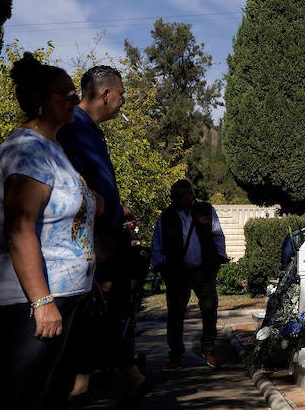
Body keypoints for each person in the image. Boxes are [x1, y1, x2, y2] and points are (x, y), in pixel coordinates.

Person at [0, 53, 96, 409]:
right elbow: (20, 229)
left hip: (59, 296)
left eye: (77, 94)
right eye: (67, 94)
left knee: (34, 396)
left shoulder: (53, 149)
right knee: (6, 397)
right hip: (24, 302)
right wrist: (42, 302)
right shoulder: (27, 150)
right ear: (40, 100)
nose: (76, 100)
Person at [56, 66, 148, 402]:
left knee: (102, 308)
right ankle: (121, 376)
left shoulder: (91, 131)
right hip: (87, 242)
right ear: (105, 94)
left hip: (105, 238)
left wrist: (115, 208)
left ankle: (89, 380)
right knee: (95, 308)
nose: (123, 101)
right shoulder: (72, 128)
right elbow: (74, 183)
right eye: (121, 94)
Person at [152, 179, 227, 370]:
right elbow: (158, 241)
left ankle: (209, 349)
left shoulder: (206, 210)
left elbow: (217, 234)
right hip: (177, 272)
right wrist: (159, 265)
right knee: (175, 314)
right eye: (173, 197)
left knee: (209, 310)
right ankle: (175, 355)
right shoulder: (167, 215)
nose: (175, 200)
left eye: (178, 196)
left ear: (190, 195)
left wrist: (220, 257)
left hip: (204, 269)